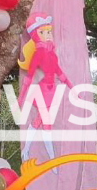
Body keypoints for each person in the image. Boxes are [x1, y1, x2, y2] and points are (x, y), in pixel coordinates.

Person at [18, 12, 73, 164]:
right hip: (43, 90)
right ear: (36, 35)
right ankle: (51, 159)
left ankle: (27, 152)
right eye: (43, 32)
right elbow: (28, 78)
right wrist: (21, 98)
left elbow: (61, 74)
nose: (48, 35)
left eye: (49, 31)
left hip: (51, 90)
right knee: (46, 123)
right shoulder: (38, 54)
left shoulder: (52, 54)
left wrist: (72, 88)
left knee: (39, 122)